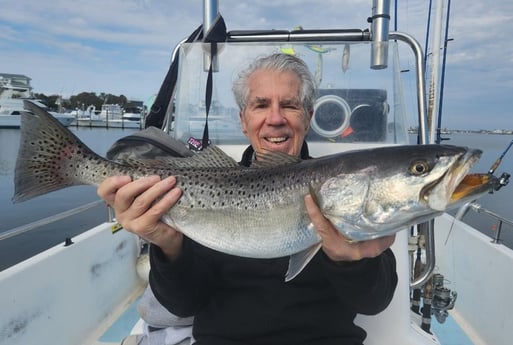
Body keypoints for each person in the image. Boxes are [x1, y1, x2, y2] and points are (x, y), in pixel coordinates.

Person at [98, 53, 397, 345]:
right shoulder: (201, 191)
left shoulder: (344, 187)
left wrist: (350, 262)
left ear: (308, 118)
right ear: (243, 120)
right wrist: (168, 246)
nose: (275, 118)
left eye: (290, 105)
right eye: (261, 105)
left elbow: (374, 301)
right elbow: (183, 304)